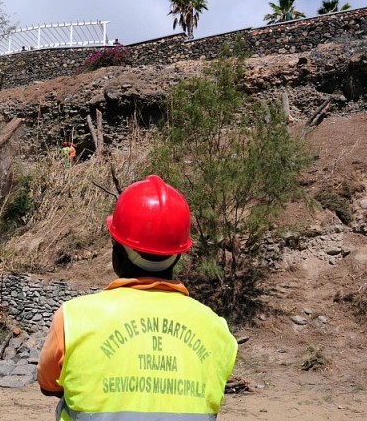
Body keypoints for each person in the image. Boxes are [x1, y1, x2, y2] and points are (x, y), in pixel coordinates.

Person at [37, 175, 238, 420]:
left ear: (117, 253)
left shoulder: (73, 319)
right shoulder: (217, 329)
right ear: (178, 254)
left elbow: (49, 386)